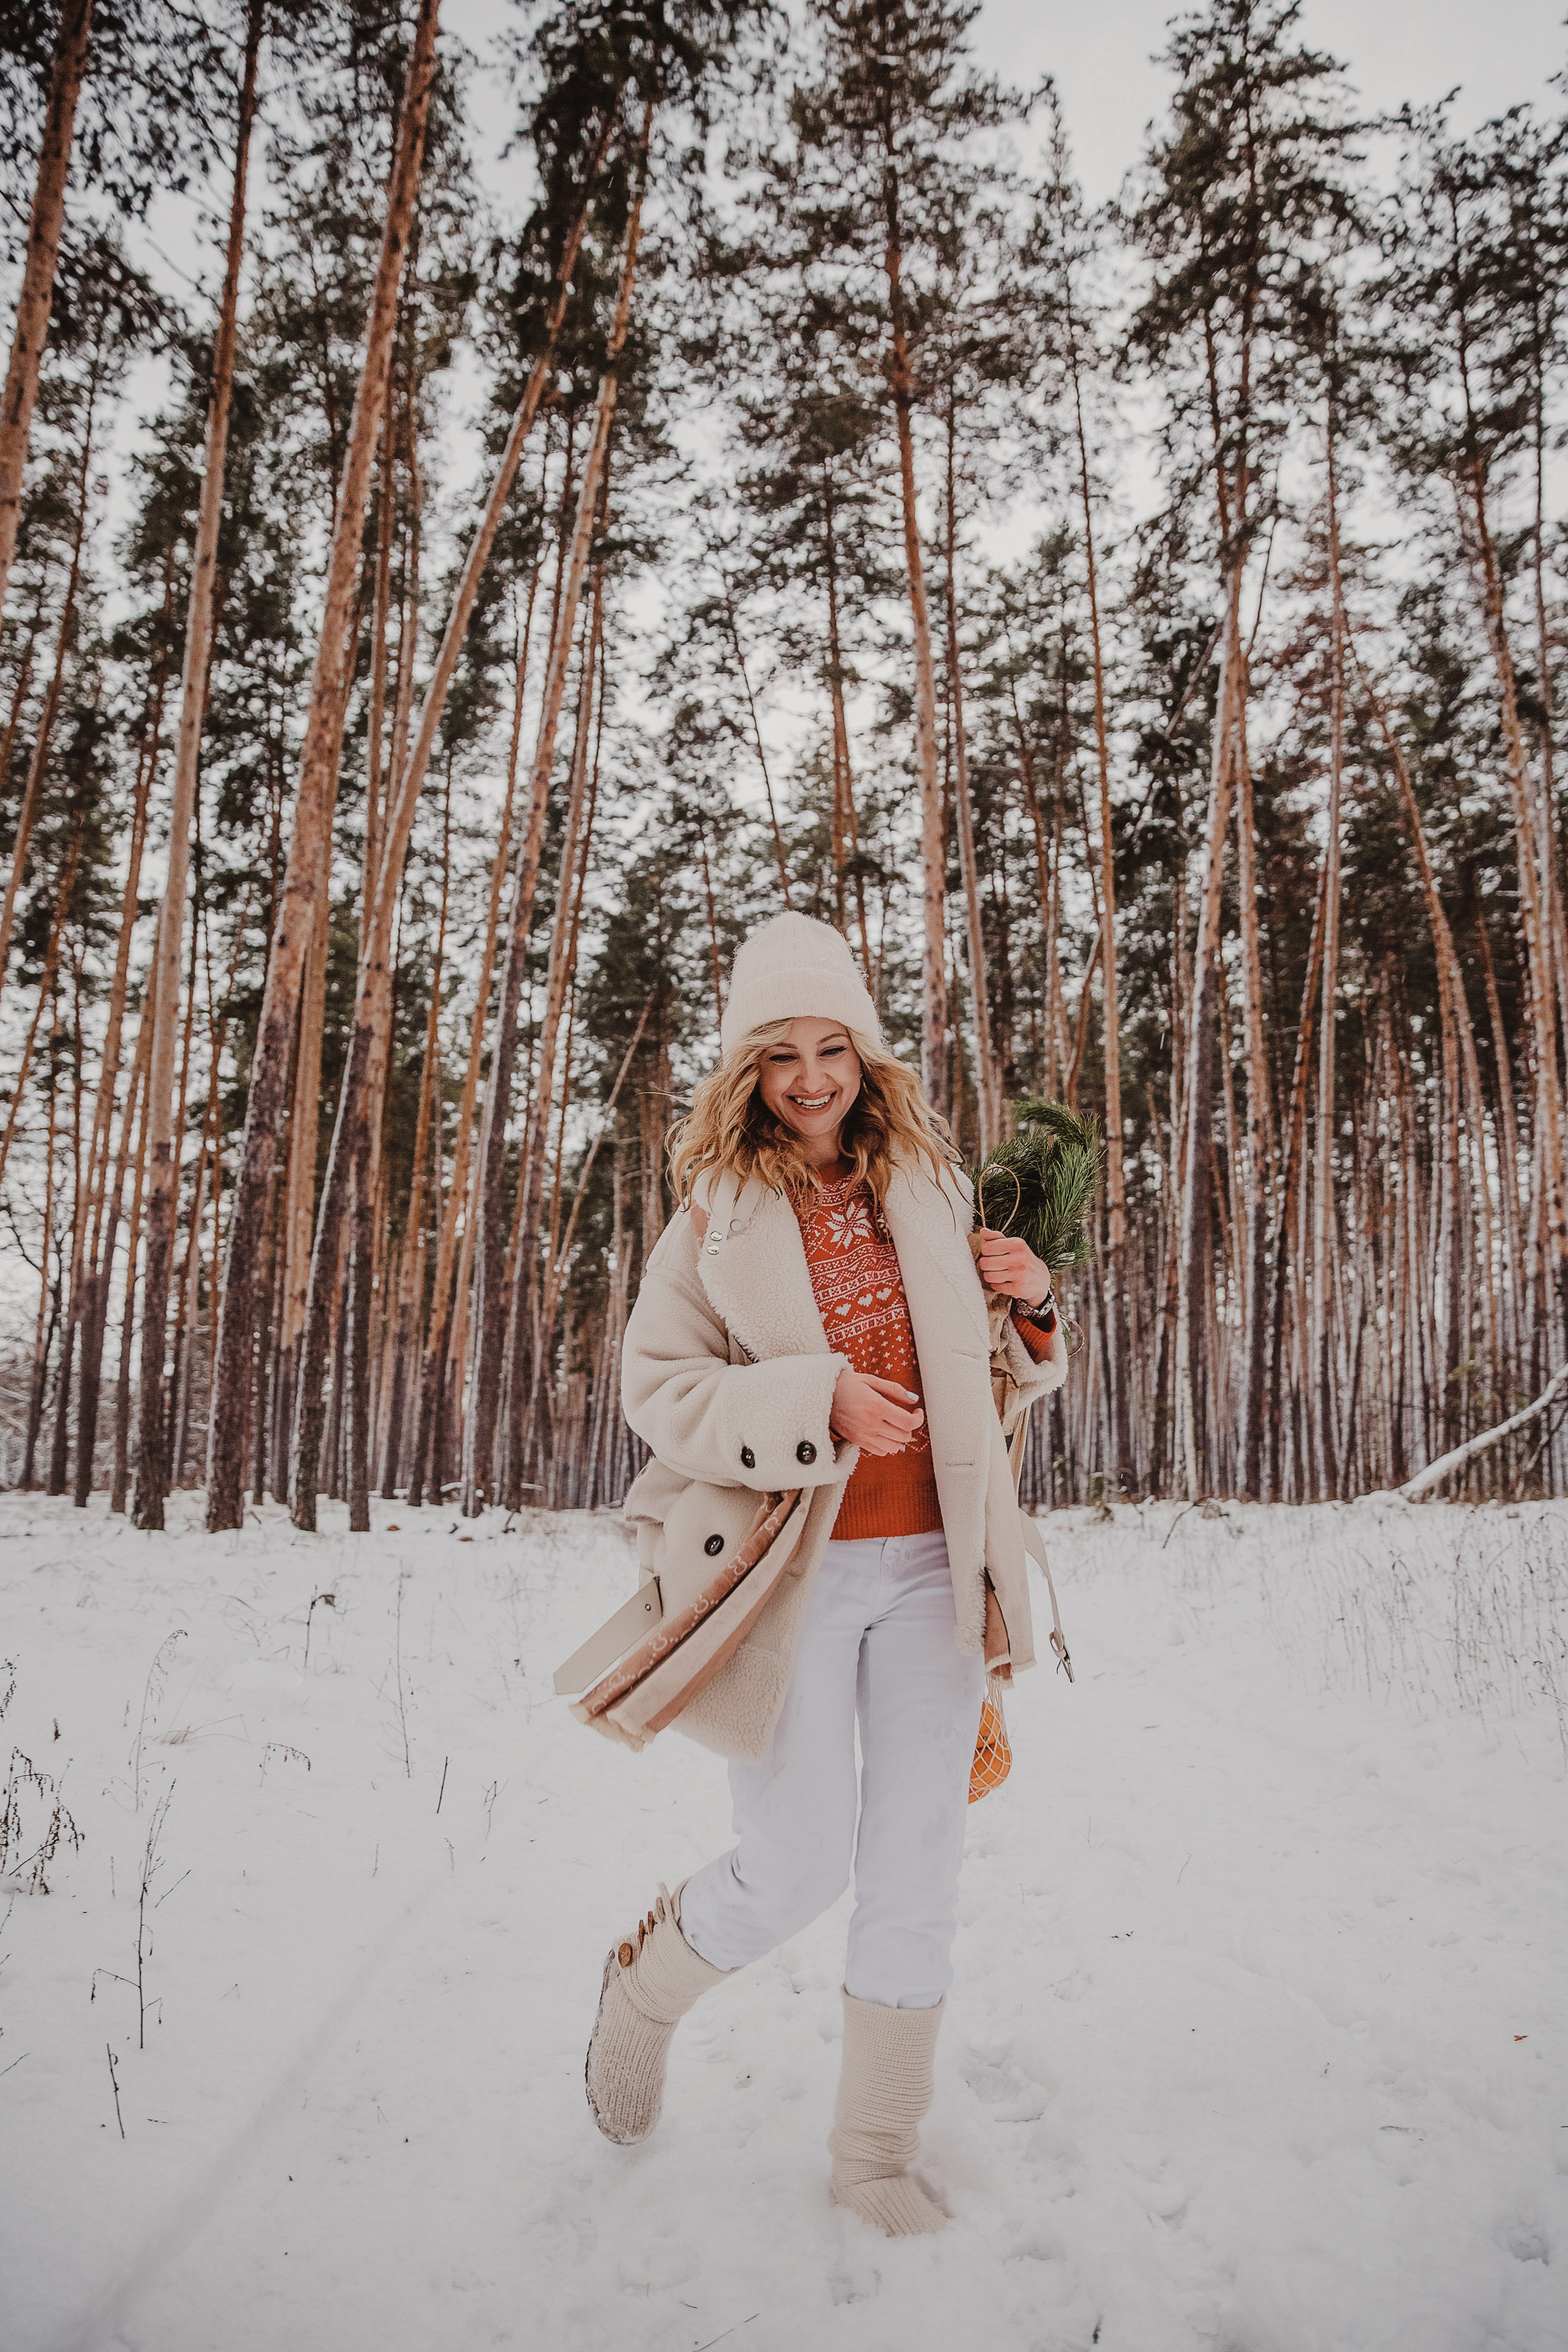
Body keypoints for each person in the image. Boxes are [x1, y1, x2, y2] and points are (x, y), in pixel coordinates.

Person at [583, 911, 1070, 2235]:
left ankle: (872, 2155)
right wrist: (816, 1396)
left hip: (934, 1568)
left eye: (831, 1046)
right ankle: (642, 1990)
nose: (810, 1076)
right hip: (788, 1577)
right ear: (746, 1070)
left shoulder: (931, 1184)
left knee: (916, 1866)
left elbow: (1009, 1369)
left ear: (865, 1053)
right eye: (780, 1053)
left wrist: (1029, 1303)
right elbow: (658, 1388)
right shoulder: (714, 1216)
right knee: (793, 1864)